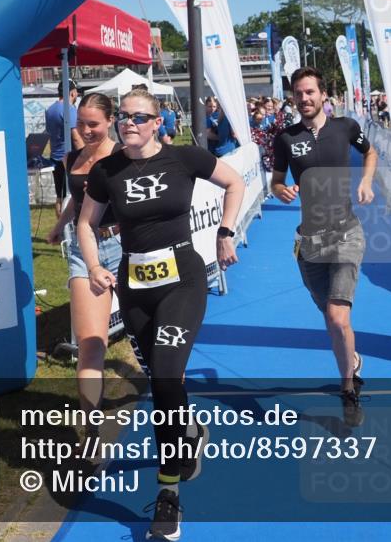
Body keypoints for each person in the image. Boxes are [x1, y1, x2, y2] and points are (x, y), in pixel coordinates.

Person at [78, 89, 244, 541]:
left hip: (182, 280)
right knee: (163, 383)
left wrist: (225, 233)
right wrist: (94, 266)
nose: (128, 123)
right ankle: (186, 430)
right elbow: (84, 224)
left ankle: (168, 495)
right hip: (134, 288)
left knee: (168, 377)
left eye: (139, 117)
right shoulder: (106, 170)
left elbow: (235, 183)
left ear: (157, 122)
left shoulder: (185, 158)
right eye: (124, 117)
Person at [271, 67, 377, 427]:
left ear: (323, 95)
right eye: (298, 93)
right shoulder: (285, 138)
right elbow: (275, 181)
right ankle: (353, 360)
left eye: (310, 92)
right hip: (309, 241)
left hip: (346, 234)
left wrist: (366, 181)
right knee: (332, 321)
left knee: (337, 316)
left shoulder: (345, 127)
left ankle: (348, 390)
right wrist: (279, 190)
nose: (304, 99)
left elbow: (371, 152)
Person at [46, 93, 123, 430]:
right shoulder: (71, 158)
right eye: (81, 123)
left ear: (109, 121)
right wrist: (59, 225)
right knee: (91, 344)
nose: (87, 130)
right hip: (84, 251)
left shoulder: (124, 156)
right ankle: (91, 429)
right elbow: (79, 201)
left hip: (127, 247)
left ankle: (173, 413)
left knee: (151, 340)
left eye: (94, 124)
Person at [45, 79, 85, 217]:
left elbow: (50, 135)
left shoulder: (50, 110)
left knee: (60, 195)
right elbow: (75, 136)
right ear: (72, 93)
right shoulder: (69, 109)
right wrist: (86, 154)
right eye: (77, 93)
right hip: (70, 158)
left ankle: (60, 231)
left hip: (55, 156)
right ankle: (71, 231)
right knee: (76, 194)